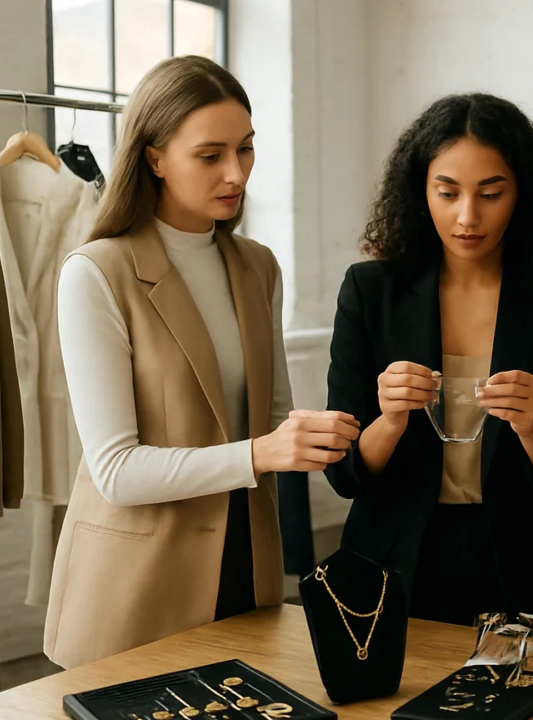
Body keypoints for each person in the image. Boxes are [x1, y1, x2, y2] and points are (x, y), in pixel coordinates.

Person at [45, 56, 361, 669]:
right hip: (135, 586)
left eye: (245, 149)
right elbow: (116, 470)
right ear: (154, 156)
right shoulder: (95, 273)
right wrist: (263, 453)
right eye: (210, 155)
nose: (236, 173)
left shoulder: (257, 265)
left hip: (245, 566)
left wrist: (336, 434)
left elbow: (273, 420)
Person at [324, 93, 533, 633]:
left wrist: (531, 424)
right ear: (419, 189)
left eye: (491, 193)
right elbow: (343, 472)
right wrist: (389, 420)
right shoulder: (370, 291)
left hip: (528, 569)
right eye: (447, 193)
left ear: (522, 193)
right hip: (392, 566)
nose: (467, 216)